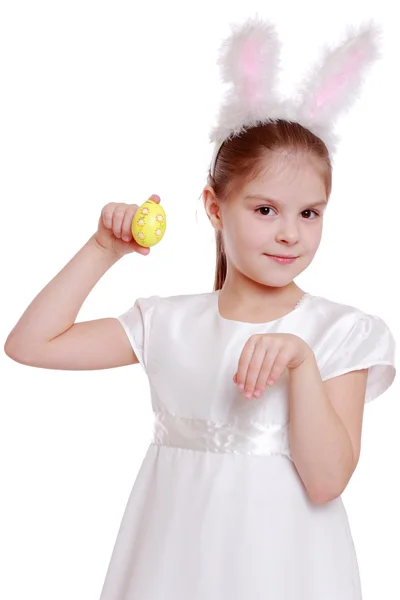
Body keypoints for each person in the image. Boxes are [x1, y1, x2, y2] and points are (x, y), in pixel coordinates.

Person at [4, 15, 397, 600]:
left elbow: (326, 481)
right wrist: (103, 249)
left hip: (286, 568)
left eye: (308, 213)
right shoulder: (168, 322)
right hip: (172, 558)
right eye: (265, 210)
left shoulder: (342, 332)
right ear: (215, 207)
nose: (290, 233)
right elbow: (29, 345)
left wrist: (300, 363)